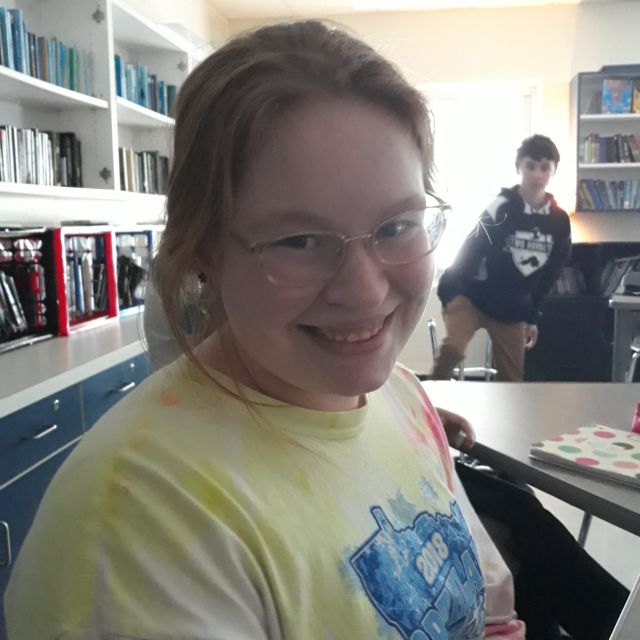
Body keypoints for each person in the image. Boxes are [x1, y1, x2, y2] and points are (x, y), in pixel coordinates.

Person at [5, 20, 526, 640]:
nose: (365, 292)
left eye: (396, 226)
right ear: (204, 250)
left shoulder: (401, 396)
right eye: (298, 240)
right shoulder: (140, 528)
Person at [432, 134, 572, 381]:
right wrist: (449, 292)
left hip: (512, 309)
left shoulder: (559, 221)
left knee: (513, 379)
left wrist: (532, 317)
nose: (537, 174)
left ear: (554, 170)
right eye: (530, 166)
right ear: (519, 167)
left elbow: (551, 274)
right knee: (453, 350)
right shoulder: (501, 207)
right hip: (471, 296)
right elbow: (470, 250)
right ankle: (431, 397)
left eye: (545, 167)